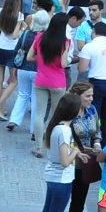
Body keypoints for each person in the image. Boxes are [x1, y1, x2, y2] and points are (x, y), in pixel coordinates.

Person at [36, 93, 86, 212]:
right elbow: (65, 161)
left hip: (53, 177)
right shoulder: (65, 131)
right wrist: (76, 151)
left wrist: (75, 153)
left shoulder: (56, 126)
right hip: (61, 179)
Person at [26, 13, 72, 159]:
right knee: (56, 116)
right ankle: (53, 147)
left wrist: (41, 61)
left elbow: (29, 57)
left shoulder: (40, 37)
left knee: (39, 114)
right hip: (58, 82)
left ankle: (38, 148)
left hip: (41, 81)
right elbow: (64, 64)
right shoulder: (65, 42)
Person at [62, 80, 101, 212]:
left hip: (84, 164)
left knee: (79, 200)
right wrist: (79, 148)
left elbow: (97, 130)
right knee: (60, 199)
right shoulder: (67, 113)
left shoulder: (92, 111)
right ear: (77, 96)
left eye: (92, 95)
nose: (91, 99)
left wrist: (97, 143)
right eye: (88, 96)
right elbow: (61, 138)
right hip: (68, 162)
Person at [7, 10, 49, 136]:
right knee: (36, 99)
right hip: (37, 71)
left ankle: (14, 119)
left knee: (22, 94)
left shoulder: (25, 33)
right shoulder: (45, 37)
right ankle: (34, 128)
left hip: (23, 68)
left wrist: (14, 68)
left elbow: (16, 50)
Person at [0, 0, 25, 120]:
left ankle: (1, 108)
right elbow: (16, 35)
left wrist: (4, 28)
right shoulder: (19, 15)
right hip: (11, 49)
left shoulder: (1, 11)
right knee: (14, 80)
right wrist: (22, 27)